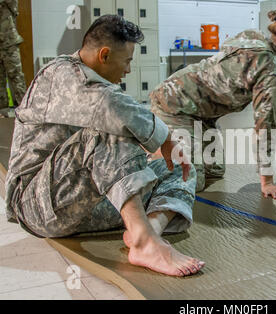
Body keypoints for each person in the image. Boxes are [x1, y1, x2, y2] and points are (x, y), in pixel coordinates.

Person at [5, 15, 204, 277]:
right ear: (105, 55)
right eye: (128, 61)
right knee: (108, 129)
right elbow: (112, 107)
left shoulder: (92, 82)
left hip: (80, 203)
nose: (129, 70)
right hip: (37, 206)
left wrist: (161, 149)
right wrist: (166, 138)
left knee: (180, 166)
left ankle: (148, 230)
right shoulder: (60, 75)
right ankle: (145, 242)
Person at [149, 8, 276, 199]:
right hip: (174, 105)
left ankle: (170, 150)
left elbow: (264, 77)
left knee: (215, 170)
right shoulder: (269, 67)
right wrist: (268, 181)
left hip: (201, 112)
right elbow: (265, 127)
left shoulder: (255, 38)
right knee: (191, 180)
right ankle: (148, 162)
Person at [0, 0, 27, 109]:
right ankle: (2, 111)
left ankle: (24, 109)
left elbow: (14, 8)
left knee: (16, 76)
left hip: (8, 40)